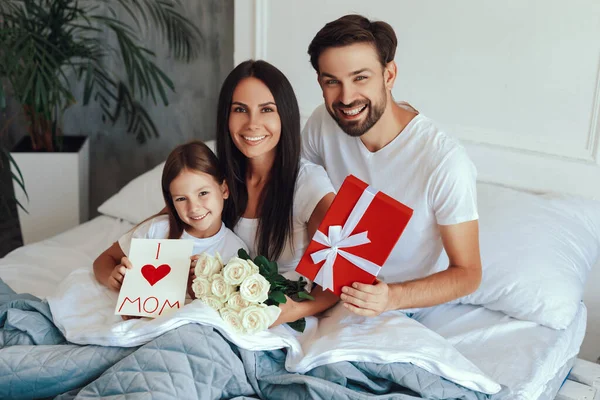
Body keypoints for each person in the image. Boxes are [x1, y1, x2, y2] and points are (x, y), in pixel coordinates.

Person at [302, 15, 482, 317]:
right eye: (332, 81)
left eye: (361, 78)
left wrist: (391, 298)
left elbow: (468, 273)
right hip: (324, 286)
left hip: (395, 307)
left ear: (389, 75)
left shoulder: (445, 162)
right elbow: (298, 192)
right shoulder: (323, 121)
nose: (346, 97)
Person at [215, 60, 339, 327]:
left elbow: (340, 273)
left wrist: (298, 310)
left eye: (266, 110)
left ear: (285, 115)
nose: (252, 124)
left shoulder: (308, 183)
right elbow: (159, 230)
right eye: (240, 110)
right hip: (224, 315)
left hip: (282, 319)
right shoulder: (214, 180)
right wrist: (113, 271)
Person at [93, 140, 247, 297]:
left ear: (224, 190)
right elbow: (104, 260)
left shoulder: (235, 251)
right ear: (171, 201)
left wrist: (195, 290)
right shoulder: (156, 230)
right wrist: (113, 279)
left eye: (203, 193)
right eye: (181, 199)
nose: (193, 208)